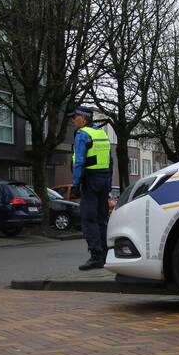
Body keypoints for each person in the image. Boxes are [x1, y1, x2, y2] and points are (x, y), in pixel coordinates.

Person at [70, 106, 113, 270]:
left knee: (88, 218)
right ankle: (106, 254)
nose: (73, 120)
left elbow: (79, 161)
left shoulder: (82, 134)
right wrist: (109, 181)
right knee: (102, 219)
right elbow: (110, 160)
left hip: (90, 180)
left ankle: (96, 256)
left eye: (75, 117)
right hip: (104, 179)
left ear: (83, 118)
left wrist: (75, 184)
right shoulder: (102, 133)